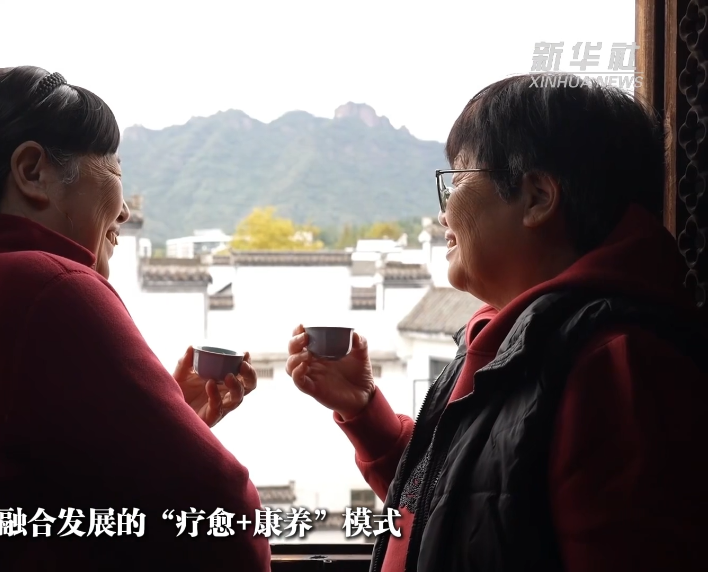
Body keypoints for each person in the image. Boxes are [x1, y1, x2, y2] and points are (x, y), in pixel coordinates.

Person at [0, 66, 270, 571]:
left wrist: (171, 422)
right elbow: (224, 513)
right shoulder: (50, 286)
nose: (125, 213)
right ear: (33, 171)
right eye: (115, 170)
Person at [286, 73, 708, 572]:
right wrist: (362, 411)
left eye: (458, 180)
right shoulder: (508, 336)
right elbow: (467, 503)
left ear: (537, 197)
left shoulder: (619, 367)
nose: (443, 214)